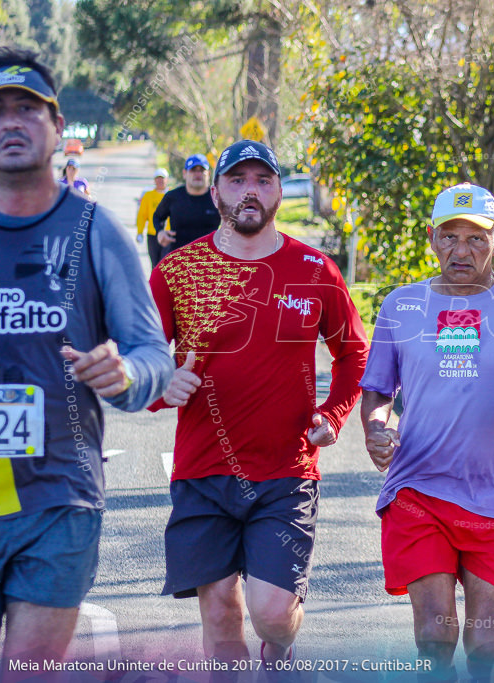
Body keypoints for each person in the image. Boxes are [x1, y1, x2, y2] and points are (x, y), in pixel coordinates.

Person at [0, 46, 173, 678]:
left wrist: (127, 376)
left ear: (58, 128)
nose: (11, 122)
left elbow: (153, 357)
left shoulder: (93, 230)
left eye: (28, 110)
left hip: (58, 498)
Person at [149, 140, 369, 666]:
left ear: (276, 192)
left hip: (286, 471)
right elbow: (142, 358)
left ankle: (282, 649)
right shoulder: (178, 272)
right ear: (217, 190)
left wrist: (333, 414)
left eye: (263, 181)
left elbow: (355, 354)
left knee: (272, 614)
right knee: (222, 615)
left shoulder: (314, 270)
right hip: (203, 472)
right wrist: (163, 384)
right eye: (238, 180)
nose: (251, 191)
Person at [359, 183, 494, 680]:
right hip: (419, 490)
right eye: (450, 236)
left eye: (476, 238)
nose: (462, 250)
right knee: (435, 634)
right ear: (432, 240)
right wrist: (377, 428)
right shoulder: (402, 307)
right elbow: (376, 390)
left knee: (486, 641)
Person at [153, 153, 219, 259]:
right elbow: (157, 216)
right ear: (184, 173)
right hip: (178, 260)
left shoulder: (218, 198)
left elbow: (233, 222)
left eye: (201, 170)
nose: (198, 174)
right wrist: (160, 232)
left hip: (210, 261)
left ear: (209, 173)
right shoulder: (173, 197)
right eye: (193, 170)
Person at [136, 167, 169, 268]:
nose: (160, 181)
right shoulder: (148, 196)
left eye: (162, 178)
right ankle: (154, 283)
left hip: (169, 235)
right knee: (155, 264)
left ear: (167, 180)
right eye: (158, 178)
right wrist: (140, 232)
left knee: (166, 263)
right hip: (153, 234)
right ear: (154, 180)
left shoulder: (172, 195)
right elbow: (142, 215)